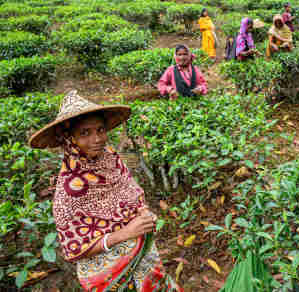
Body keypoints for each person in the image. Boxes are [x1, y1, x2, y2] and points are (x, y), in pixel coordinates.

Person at [28, 90, 184, 292]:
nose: (97, 139)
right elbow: (74, 248)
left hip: (140, 251)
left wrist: (142, 212)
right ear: (70, 139)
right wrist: (125, 233)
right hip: (108, 269)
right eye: (85, 133)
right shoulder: (70, 188)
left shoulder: (111, 157)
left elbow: (131, 190)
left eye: (100, 130)